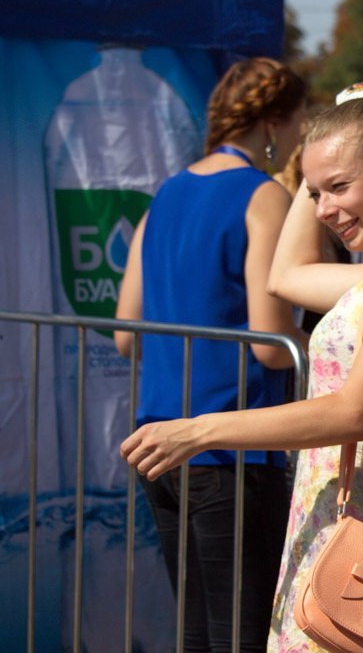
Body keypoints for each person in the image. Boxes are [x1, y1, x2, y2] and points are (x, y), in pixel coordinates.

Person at [120, 83, 363, 652]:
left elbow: (355, 412)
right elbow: (285, 276)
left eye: (340, 187)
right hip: (336, 520)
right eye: (312, 193)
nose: (324, 208)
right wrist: (322, 152)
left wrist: (200, 429)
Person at [114, 57, 307, 653]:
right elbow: (271, 343)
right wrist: (328, 344)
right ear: (274, 123)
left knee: (195, 631)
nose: (300, 136)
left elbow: (126, 332)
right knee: (241, 633)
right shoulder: (263, 195)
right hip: (232, 446)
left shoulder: (167, 192)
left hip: (159, 442)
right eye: (299, 121)